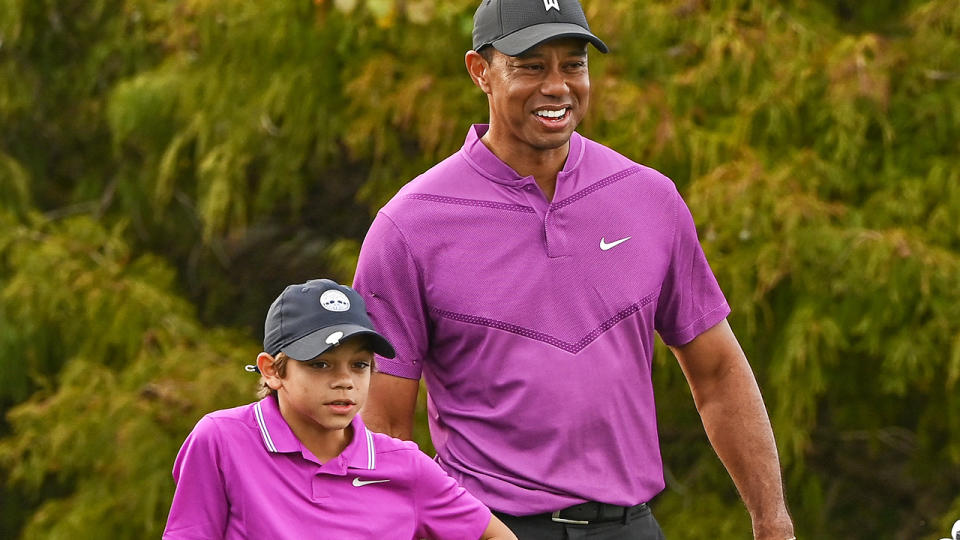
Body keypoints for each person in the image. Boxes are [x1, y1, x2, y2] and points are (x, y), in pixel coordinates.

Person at [352, 0, 796, 539]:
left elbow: (719, 373)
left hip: (631, 527)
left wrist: (772, 522)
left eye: (573, 64)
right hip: (489, 528)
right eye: (531, 66)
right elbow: (382, 426)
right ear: (480, 72)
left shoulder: (647, 198)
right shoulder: (411, 225)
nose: (558, 86)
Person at [162, 279, 517, 540]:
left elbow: (495, 535)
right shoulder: (221, 439)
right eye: (321, 365)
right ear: (272, 370)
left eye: (360, 365)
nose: (345, 381)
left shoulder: (404, 465)